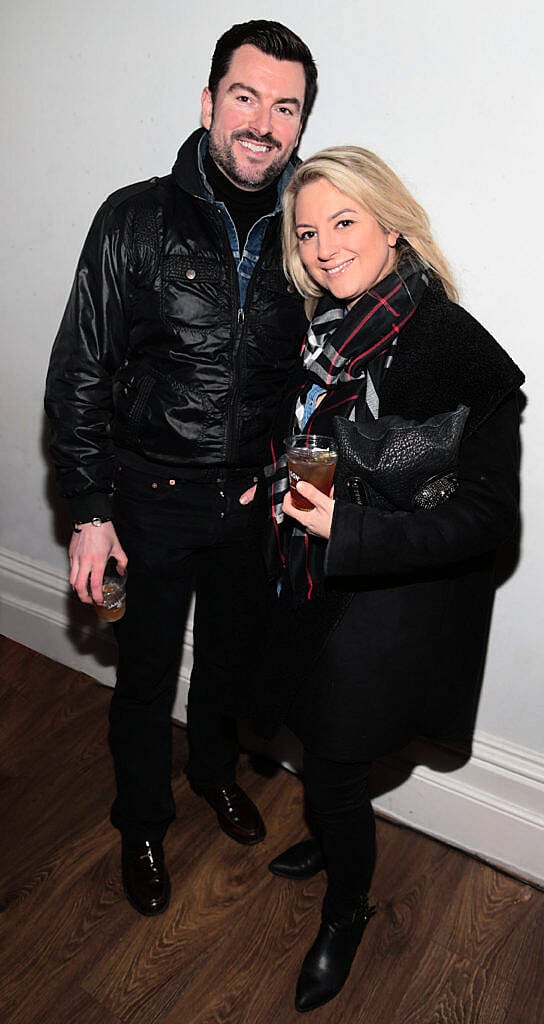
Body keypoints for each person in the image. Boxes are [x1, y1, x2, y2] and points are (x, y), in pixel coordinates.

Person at [44, 20, 317, 917]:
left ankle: (211, 774)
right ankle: (142, 822)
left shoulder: (303, 237)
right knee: (146, 676)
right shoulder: (134, 217)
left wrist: (280, 478)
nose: (263, 123)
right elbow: (80, 368)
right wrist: (88, 506)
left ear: (299, 125)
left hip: (249, 507)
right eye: (246, 97)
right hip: (147, 501)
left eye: (285, 108)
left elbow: (303, 379)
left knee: (231, 666)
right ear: (209, 103)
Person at [258, 146, 524, 1012]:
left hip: (388, 605)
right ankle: (337, 843)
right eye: (309, 232)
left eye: (345, 222)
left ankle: (346, 911)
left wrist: (354, 530)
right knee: (313, 742)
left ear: (392, 224)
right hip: (311, 579)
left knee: (333, 762)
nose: (326, 246)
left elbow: (489, 522)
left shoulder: (459, 352)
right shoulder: (325, 336)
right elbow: (307, 440)